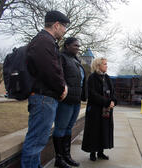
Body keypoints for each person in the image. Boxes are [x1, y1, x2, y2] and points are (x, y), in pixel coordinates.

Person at [21, 11, 70, 168]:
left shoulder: (45, 41)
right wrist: (62, 88)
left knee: (38, 141)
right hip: (43, 98)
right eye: (64, 27)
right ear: (56, 25)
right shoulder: (44, 42)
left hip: (45, 98)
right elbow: (50, 71)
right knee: (36, 142)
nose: (65, 31)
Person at [52, 37, 87, 168]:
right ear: (66, 46)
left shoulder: (76, 60)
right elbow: (58, 77)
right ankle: (59, 158)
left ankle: (67, 156)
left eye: (79, 46)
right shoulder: (61, 58)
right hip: (65, 101)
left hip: (76, 101)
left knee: (68, 128)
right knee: (60, 128)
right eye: (75, 45)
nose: (78, 47)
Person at [81, 57, 117, 161]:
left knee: (104, 131)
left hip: (106, 111)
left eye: (106, 64)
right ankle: (93, 153)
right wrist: (107, 102)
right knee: (94, 131)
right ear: (98, 66)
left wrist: (113, 101)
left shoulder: (108, 78)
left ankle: (101, 152)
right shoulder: (92, 78)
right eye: (104, 64)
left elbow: (113, 92)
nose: (107, 66)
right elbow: (92, 94)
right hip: (95, 110)